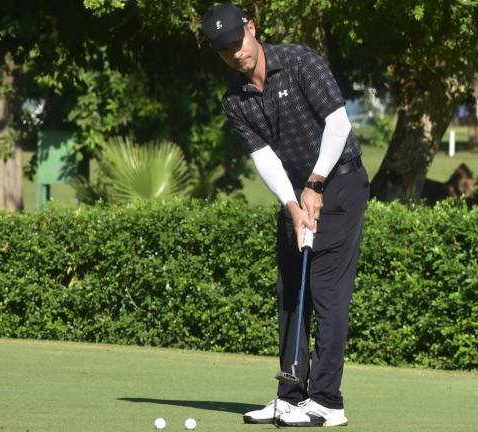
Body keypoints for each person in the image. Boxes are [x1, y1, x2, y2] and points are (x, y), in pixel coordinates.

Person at [200, 3, 368, 428]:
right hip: (295, 192)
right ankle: (291, 397)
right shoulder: (234, 100)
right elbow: (265, 159)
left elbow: (338, 125)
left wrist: (315, 184)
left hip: (341, 182)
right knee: (291, 292)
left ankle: (327, 401)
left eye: (237, 42)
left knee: (326, 289)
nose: (235, 53)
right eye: (224, 50)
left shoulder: (300, 62)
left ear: (252, 29)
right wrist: (293, 205)